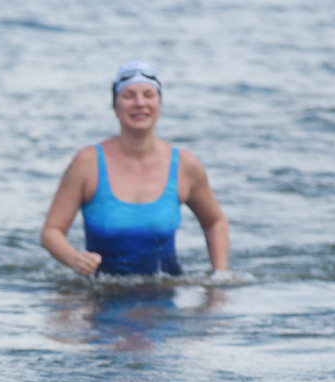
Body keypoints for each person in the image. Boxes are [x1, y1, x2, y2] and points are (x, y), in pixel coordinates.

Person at [40, 61, 231, 278]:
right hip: (101, 298)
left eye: (149, 95)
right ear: (115, 107)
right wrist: (75, 259)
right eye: (129, 96)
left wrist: (219, 276)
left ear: (159, 104)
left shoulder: (185, 166)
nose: (140, 103)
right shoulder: (87, 163)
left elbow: (215, 222)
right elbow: (51, 232)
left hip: (165, 298)